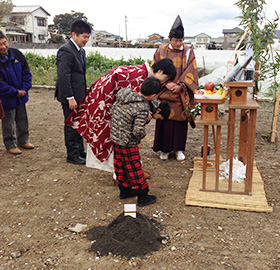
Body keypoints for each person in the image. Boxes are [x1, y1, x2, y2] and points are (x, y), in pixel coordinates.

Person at [65, 58, 177, 171]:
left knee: (115, 134)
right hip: (104, 102)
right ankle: (117, 171)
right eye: (166, 78)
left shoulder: (141, 73)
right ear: (160, 71)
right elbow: (132, 102)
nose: (164, 82)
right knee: (113, 134)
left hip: (106, 100)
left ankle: (119, 169)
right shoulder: (139, 75)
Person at [110, 77, 165, 207]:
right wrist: (145, 124)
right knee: (134, 168)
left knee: (120, 165)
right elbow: (137, 131)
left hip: (116, 137)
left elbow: (113, 112)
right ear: (152, 95)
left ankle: (125, 191)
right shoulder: (141, 107)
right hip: (128, 142)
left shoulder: (124, 94)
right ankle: (143, 196)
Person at [152, 15, 199, 161]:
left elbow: (192, 70)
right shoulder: (160, 51)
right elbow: (155, 70)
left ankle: (178, 149)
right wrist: (166, 83)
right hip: (164, 91)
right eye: (176, 40)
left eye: (181, 40)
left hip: (181, 94)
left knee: (180, 122)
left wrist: (181, 86)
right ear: (169, 38)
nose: (179, 43)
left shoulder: (189, 52)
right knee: (164, 119)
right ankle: (165, 150)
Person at [55, 20, 92, 165]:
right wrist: (70, 97)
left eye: (88, 37)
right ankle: (72, 154)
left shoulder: (81, 51)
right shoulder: (66, 50)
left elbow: (80, 75)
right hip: (69, 96)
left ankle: (79, 150)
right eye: (84, 37)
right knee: (71, 124)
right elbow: (64, 76)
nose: (86, 40)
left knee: (79, 123)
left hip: (79, 94)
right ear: (74, 34)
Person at [0, 31, 33, 155]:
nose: (3, 47)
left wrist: (24, 88)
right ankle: (10, 144)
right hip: (7, 97)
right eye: (0, 45)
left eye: (4, 43)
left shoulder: (16, 54)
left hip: (21, 94)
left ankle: (23, 140)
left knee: (22, 118)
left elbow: (27, 72)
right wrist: (15, 92)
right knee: (8, 121)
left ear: (7, 41)